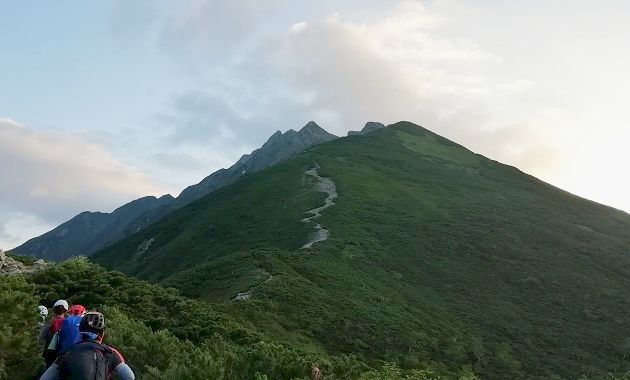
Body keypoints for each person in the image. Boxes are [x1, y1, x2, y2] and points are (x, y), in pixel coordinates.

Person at [39, 311, 135, 380]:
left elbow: (46, 377)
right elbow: (130, 376)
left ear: (80, 332)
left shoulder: (67, 351)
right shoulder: (110, 352)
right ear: (102, 334)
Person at [43, 299, 68, 368]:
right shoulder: (66, 323)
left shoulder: (49, 322)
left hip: (47, 352)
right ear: (66, 311)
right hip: (60, 352)